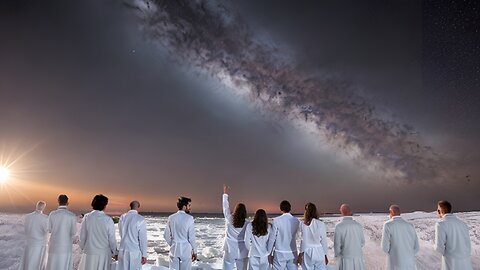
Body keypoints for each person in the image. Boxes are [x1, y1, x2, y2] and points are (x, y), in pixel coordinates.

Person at [78, 194, 118, 270]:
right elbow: (112, 239)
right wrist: (115, 252)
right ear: (104, 206)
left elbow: (82, 235)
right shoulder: (108, 220)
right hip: (103, 253)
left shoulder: (87, 217)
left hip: (89, 251)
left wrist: (83, 247)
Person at [434, 200, 473, 270]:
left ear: (439, 211)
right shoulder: (463, 224)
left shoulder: (440, 224)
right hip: (466, 264)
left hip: (451, 264)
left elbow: (439, 248)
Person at [381, 204, 419, 270]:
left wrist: (393, 254)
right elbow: (416, 247)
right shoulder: (410, 225)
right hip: (410, 263)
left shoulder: (387, 225)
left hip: (395, 263)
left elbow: (384, 247)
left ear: (391, 212)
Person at [164, 196, 197, 270]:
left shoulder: (171, 217)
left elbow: (166, 235)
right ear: (184, 206)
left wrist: (172, 243)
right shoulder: (189, 218)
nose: (190, 207)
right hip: (185, 249)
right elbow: (191, 237)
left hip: (174, 248)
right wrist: (195, 251)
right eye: (189, 205)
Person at [46, 194, 77, 270]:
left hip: (54, 246)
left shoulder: (52, 214)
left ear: (58, 201)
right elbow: (73, 232)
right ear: (67, 203)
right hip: (66, 247)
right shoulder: (72, 215)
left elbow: (49, 229)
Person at [222, 185, 249, 270]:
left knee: (227, 267)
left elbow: (225, 207)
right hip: (243, 251)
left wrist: (225, 194)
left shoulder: (230, 219)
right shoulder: (248, 223)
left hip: (230, 249)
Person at [269, 200, 300, 270]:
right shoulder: (296, 221)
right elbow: (298, 236)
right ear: (290, 208)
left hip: (279, 252)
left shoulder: (276, 220)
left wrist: (269, 253)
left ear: (281, 209)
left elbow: (272, 238)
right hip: (292, 252)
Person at [333, 203, 365, 270]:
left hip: (345, 258)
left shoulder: (339, 226)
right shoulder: (358, 225)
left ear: (341, 212)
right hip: (358, 256)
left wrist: (337, 256)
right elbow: (362, 242)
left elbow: (337, 244)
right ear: (350, 212)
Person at [117, 200, 148, 270]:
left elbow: (121, 232)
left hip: (123, 249)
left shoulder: (122, 217)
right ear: (138, 207)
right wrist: (144, 254)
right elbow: (142, 239)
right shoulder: (140, 219)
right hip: (134, 250)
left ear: (130, 206)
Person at [19, 201, 48, 270]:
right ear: (43, 207)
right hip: (39, 245)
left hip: (28, 244)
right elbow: (47, 231)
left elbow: (26, 229)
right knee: (37, 264)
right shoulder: (45, 218)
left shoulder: (28, 216)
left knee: (27, 263)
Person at [298, 203, 328, 270]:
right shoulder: (321, 223)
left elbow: (303, 241)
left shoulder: (302, 224)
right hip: (319, 251)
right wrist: (325, 255)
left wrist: (300, 254)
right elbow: (323, 241)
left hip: (307, 252)